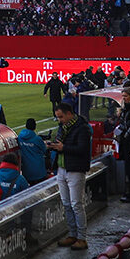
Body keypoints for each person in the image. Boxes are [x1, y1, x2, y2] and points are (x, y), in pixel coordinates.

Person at [47, 101, 92, 251]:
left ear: (68, 114)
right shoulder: (64, 127)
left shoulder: (83, 128)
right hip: (62, 168)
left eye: (60, 117)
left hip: (75, 169)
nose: (59, 120)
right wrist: (53, 145)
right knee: (66, 204)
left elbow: (82, 149)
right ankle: (73, 234)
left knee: (76, 205)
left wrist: (63, 147)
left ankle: (81, 237)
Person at [17, 118, 48, 183]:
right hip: (39, 171)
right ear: (35, 126)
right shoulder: (37, 139)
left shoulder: (20, 137)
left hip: (26, 171)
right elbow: (45, 150)